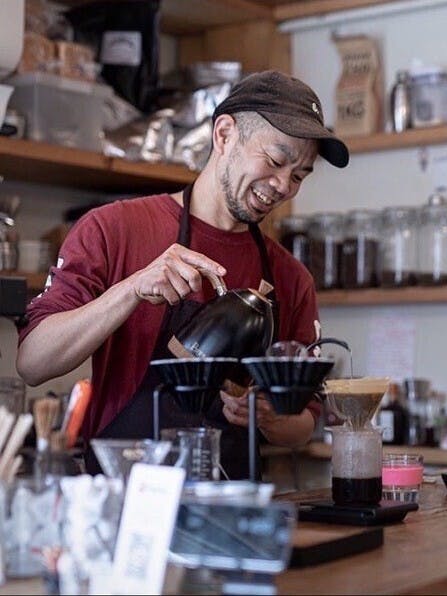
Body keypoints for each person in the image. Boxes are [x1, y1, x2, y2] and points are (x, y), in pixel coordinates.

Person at [16, 70, 349, 479]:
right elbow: (33, 362)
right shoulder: (113, 229)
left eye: (298, 175)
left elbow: (305, 422)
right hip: (124, 499)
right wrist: (131, 289)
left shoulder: (290, 277)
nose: (283, 185)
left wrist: (268, 416)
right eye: (276, 161)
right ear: (224, 135)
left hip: (228, 504)